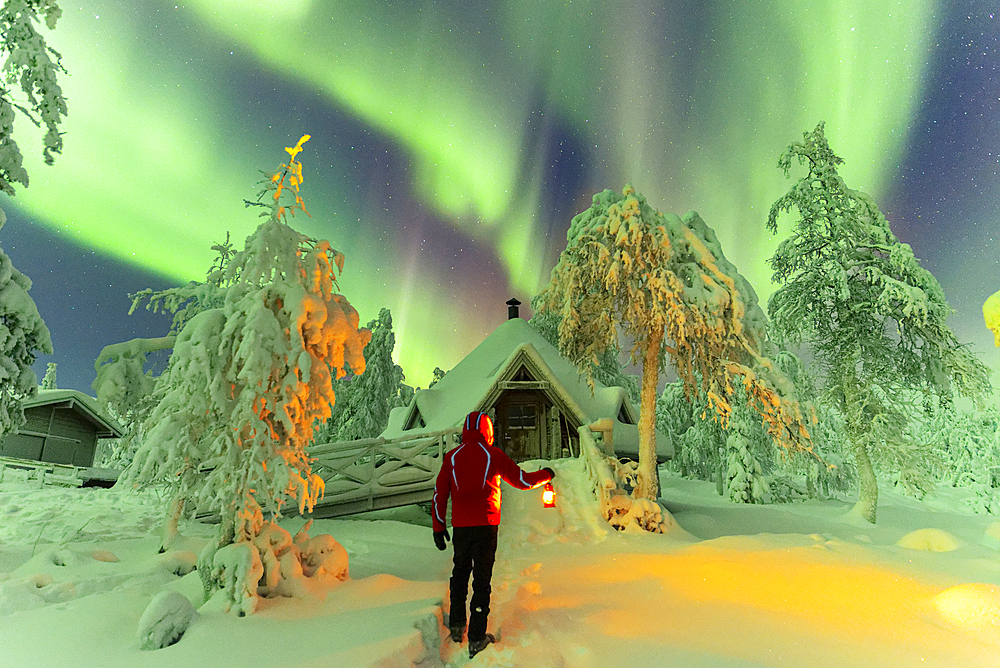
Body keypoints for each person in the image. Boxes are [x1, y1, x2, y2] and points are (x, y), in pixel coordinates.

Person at [432, 410, 554, 659]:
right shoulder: (493, 455)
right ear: (487, 430)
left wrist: (439, 526)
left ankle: (457, 625)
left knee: (460, 573)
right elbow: (522, 480)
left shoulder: (452, 458)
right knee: (482, 580)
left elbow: (439, 493)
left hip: (462, 528)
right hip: (486, 527)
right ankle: (476, 637)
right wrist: (547, 475)